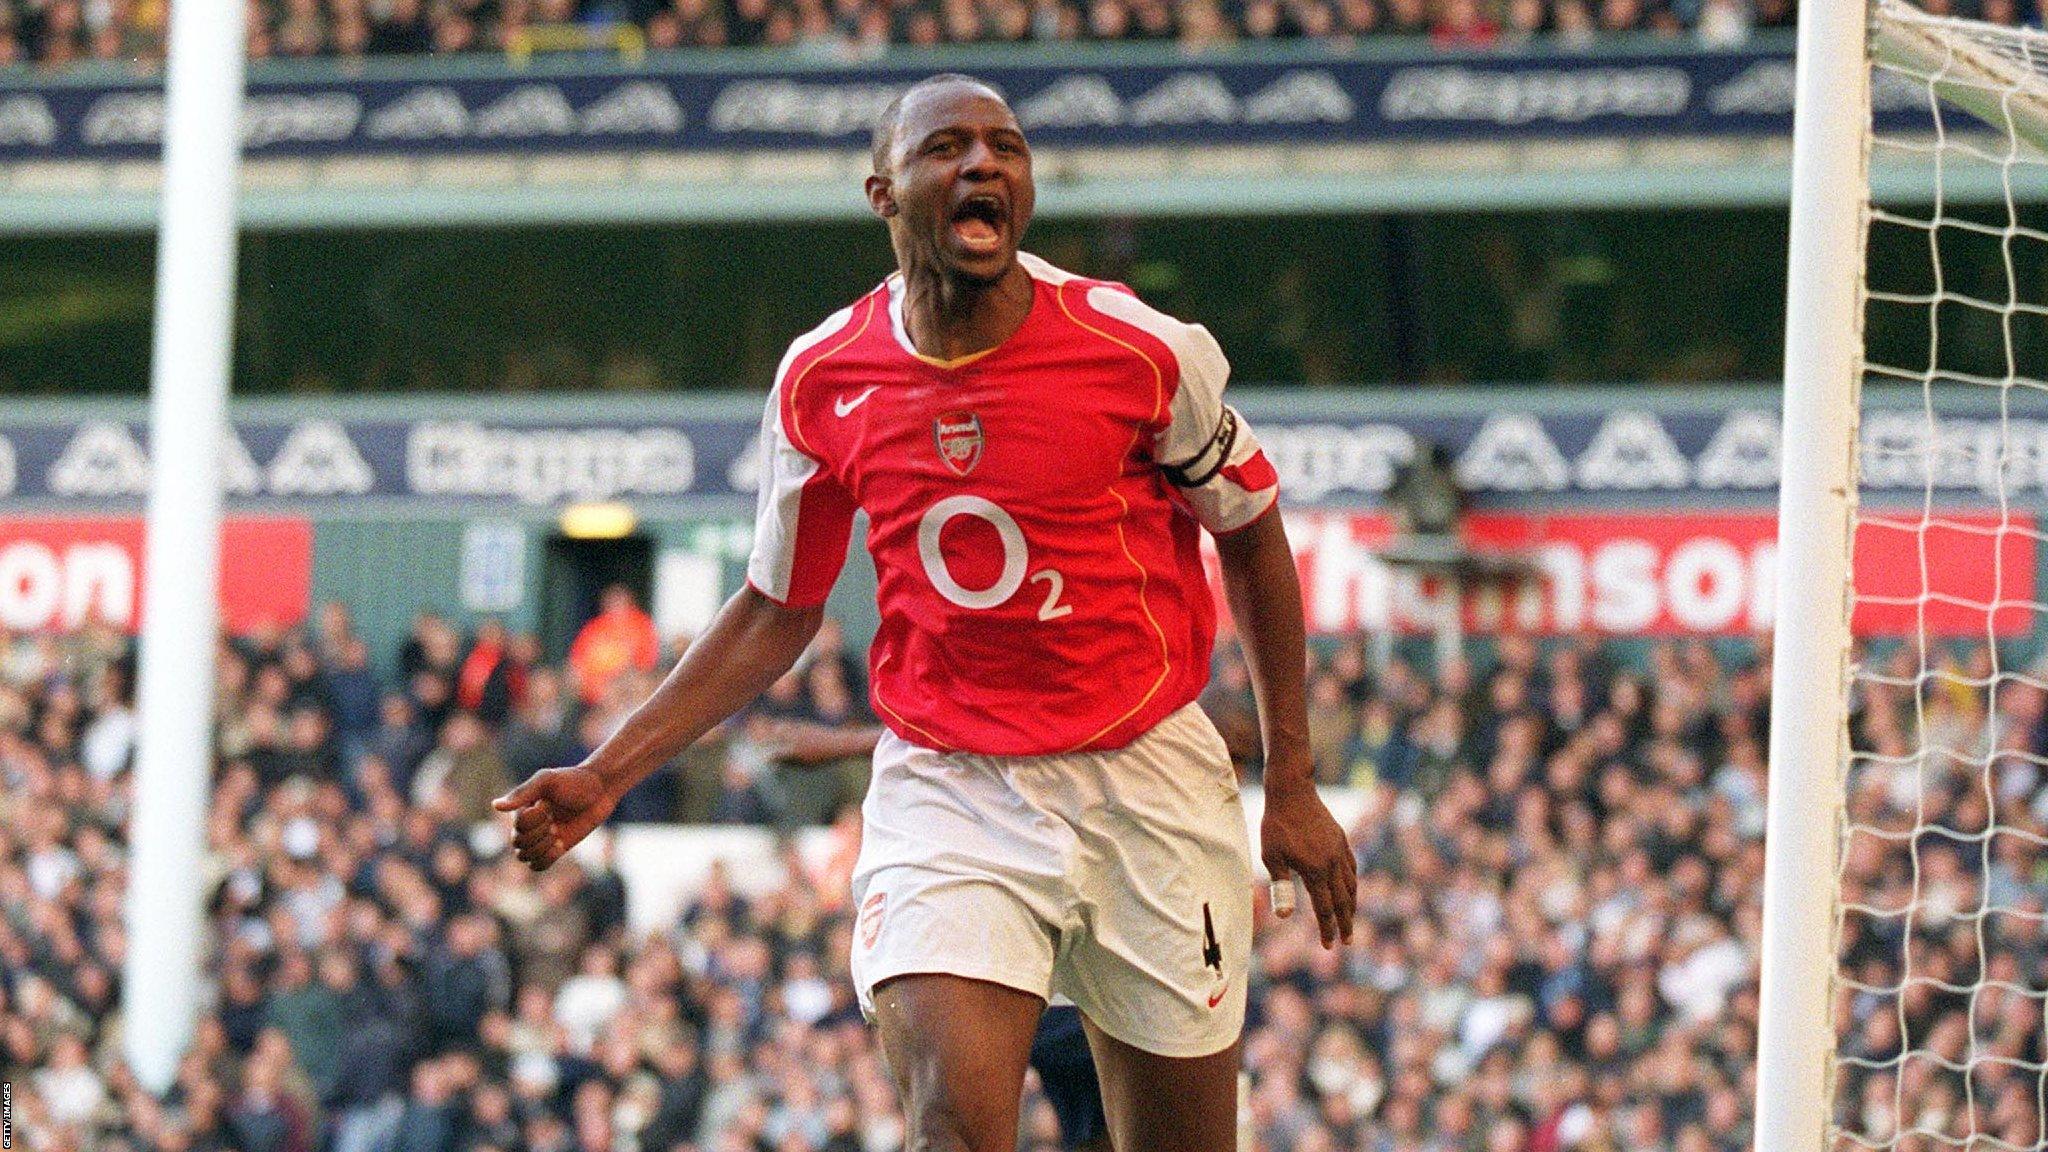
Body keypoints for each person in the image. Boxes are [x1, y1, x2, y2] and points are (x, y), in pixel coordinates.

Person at [494, 73, 1355, 1152]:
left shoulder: (1138, 349)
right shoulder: (823, 377)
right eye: (946, 147)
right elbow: (776, 608)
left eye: (1005, 146)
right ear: (883, 193)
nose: (983, 164)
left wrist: (1292, 781)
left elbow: (1251, 533)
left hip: (1146, 780)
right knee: (950, 1126)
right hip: (951, 787)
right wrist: (608, 770)